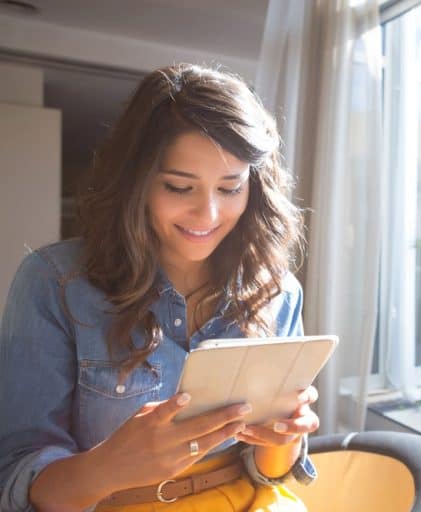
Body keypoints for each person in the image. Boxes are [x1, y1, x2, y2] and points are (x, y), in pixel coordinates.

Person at [0, 63, 318, 511]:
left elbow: (269, 472)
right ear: (137, 182)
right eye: (179, 187)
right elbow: (15, 481)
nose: (208, 215)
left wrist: (285, 436)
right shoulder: (54, 283)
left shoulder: (277, 290)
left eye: (230, 188)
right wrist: (109, 466)